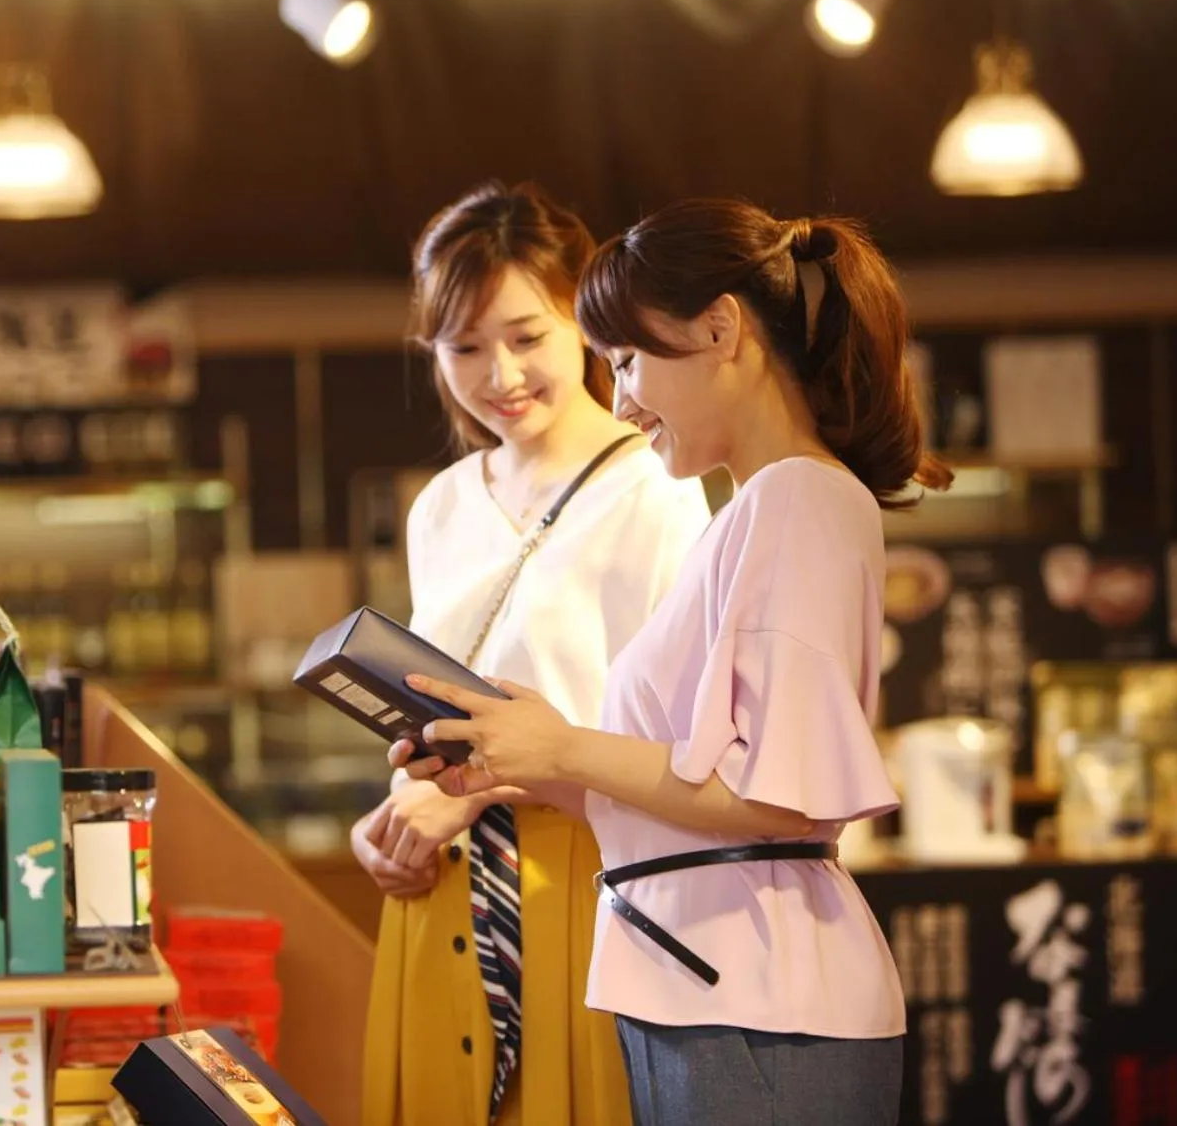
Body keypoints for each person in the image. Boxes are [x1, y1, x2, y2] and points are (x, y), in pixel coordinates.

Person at [398, 198, 950, 1125]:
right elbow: (691, 796)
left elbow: (784, 798)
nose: (620, 398)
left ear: (721, 329)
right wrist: (516, 753)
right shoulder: (761, 508)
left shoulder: (799, 499)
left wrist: (565, 749)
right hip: (704, 980)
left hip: (756, 995)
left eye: (628, 360)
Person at [354, 181, 711, 1126]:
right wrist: (390, 817)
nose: (499, 374)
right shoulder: (440, 505)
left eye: (526, 335)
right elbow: (440, 706)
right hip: (445, 887)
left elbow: (673, 737)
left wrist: (479, 787)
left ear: (583, 321)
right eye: (463, 347)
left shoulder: (656, 489)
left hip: (586, 878)